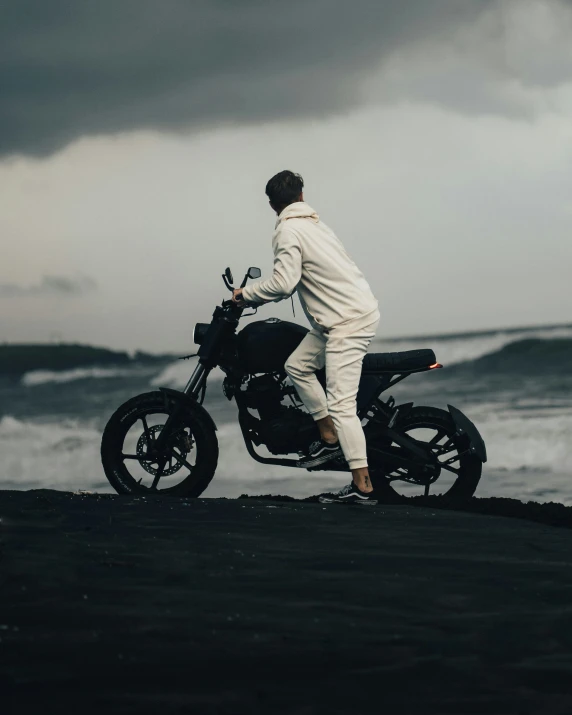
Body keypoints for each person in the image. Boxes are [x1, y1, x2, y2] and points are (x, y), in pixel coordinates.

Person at [232, 170, 380, 506]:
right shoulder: (315, 225)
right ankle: (327, 437)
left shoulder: (288, 230)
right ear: (301, 195)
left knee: (342, 405)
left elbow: (283, 283)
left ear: (272, 204)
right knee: (297, 366)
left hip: (346, 321)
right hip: (342, 316)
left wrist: (245, 295)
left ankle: (363, 486)